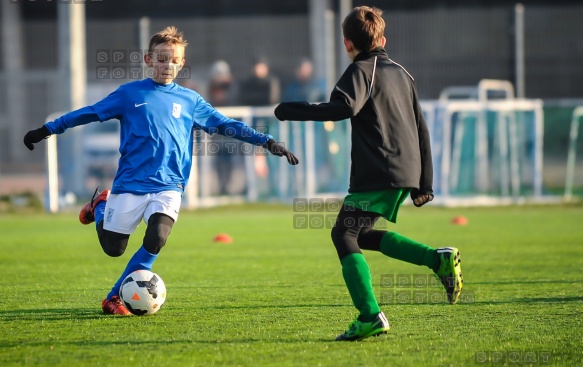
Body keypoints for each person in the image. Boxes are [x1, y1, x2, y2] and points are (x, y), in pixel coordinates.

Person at [23, 26, 299, 316]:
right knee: (113, 248)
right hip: (130, 183)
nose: (168, 65)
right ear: (149, 60)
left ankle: (113, 297)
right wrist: (48, 129)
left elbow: (226, 123)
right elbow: (90, 112)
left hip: (170, 185)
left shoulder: (190, 100)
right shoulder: (129, 94)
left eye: (174, 60)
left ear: (181, 63)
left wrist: (266, 141)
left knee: (157, 237)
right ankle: (101, 206)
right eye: (162, 59)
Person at [274, 6, 463, 341]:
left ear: (347, 43)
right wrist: (425, 181)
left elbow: (344, 107)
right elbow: (421, 128)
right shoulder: (403, 73)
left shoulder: (361, 69)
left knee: (342, 235)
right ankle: (437, 260)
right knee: (359, 235)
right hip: (404, 168)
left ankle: (370, 315)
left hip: (380, 168)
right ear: (383, 39)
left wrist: (291, 110)